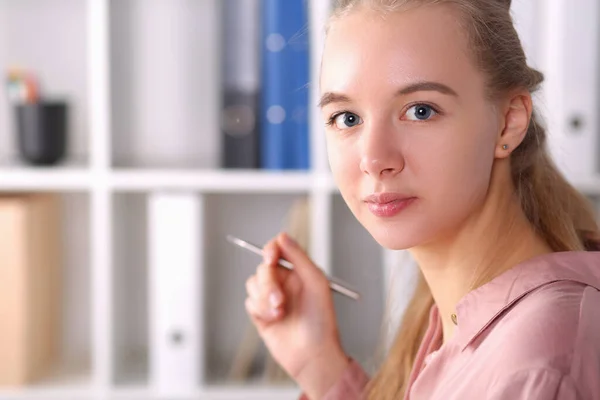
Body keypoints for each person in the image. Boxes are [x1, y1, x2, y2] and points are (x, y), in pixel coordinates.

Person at [243, 0, 600, 398]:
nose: (375, 160)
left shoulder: (538, 363)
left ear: (508, 120)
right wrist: (319, 364)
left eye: (421, 111)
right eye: (347, 118)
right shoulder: (456, 322)